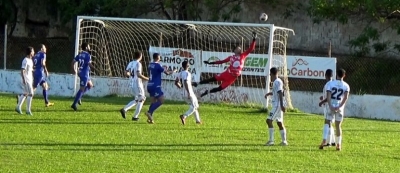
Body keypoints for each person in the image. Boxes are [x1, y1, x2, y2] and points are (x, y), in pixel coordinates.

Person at [192, 32, 257, 97]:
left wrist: (254, 39)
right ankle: (197, 83)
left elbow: (251, 49)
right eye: (238, 48)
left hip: (231, 78)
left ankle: (207, 92)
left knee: (220, 89)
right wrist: (210, 63)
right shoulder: (231, 57)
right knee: (212, 79)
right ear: (234, 50)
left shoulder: (243, 56)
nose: (240, 49)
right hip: (226, 74)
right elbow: (221, 62)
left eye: (240, 48)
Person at [319, 68, 350, 151]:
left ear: (336, 74)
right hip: (339, 107)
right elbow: (345, 97)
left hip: (331, 106)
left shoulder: (331, 84)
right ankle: (338, 145)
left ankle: (324, 140)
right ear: (344, 75)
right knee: (338, 126)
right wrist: (340, 106)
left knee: (327, 122)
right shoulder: (346, 86)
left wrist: (330, 106)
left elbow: (328, 95)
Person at [145, 53, 176, 124]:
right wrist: (173, 71)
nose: (160, 58)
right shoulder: (157, 65)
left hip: (149, 85)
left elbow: (157, 71)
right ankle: (149, 112)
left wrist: (163, 68)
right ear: (158, 58)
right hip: (156, 86)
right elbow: (167, 73)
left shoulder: (150, 65)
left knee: (153, 102)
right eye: (159, 57)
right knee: (161, 100)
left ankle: (150, 118)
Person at [120, 51, 149, 121]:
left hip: (131, 83)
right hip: (137, 83)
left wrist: (129, 75)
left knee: (137, 99)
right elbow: (138, 74)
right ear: (140, 56)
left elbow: (126, 73)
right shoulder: (138, 64)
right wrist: (148, 78)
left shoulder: (130, 63)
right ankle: (135, 117)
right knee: (142, 99)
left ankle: (124, 109)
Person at [264, 67, 288, 146]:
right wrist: (269, 94)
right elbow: (277, 92)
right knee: (279, 122)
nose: (270, 76)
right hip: (278, 105)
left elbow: (280, 93)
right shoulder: (277, 82)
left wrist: (281, 105)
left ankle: (271, 141)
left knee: (268, 120)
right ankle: (284, 141)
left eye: (270, 74)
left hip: (277, 105)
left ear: (272, 74)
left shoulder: (277, 82)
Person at [175, 60, 201, 125]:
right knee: (195, 106)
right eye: (188, 64)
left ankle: (198, 121)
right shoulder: (187, 73)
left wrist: (181, 87)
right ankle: (184, 116)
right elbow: (186, 82)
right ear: (187, 65)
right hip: (189, 92)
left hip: (183, 93)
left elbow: (176, 82)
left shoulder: (180, 73)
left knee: (193, 106)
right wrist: (189, 92)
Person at [70, 43, 94, 111]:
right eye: (89, 46)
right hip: (84, 74)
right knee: (82, 89)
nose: (90, 47)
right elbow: (89, 64)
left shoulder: (79, 54)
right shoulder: (88, 55)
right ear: (86, 47)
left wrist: (74, 70)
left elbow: (72, 62)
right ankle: (74, 104)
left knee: (90, 85)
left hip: (81, 73)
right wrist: (94, 68)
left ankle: (79, 97)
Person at [318, 69, 335, 147]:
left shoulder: (328, 84)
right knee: (330, 123)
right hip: (334, 105)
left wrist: (322, 101)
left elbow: (329, 97)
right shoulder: (334, 83)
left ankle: (327, 141)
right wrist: (323, 97)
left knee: (327, 123)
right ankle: (333, 141)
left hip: (328, 105)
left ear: (326, 76)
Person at [16, 47, 35, 115]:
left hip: (30, 79)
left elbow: (29, 70)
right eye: (33, 51)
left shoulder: (31, 60)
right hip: (26, 79)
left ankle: (18, 107)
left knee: (25, 93)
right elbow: (22, 70)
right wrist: (24, 79)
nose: (34, 52)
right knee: (31, 94)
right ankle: (28, 110)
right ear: (30, 52)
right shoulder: (25, 60)